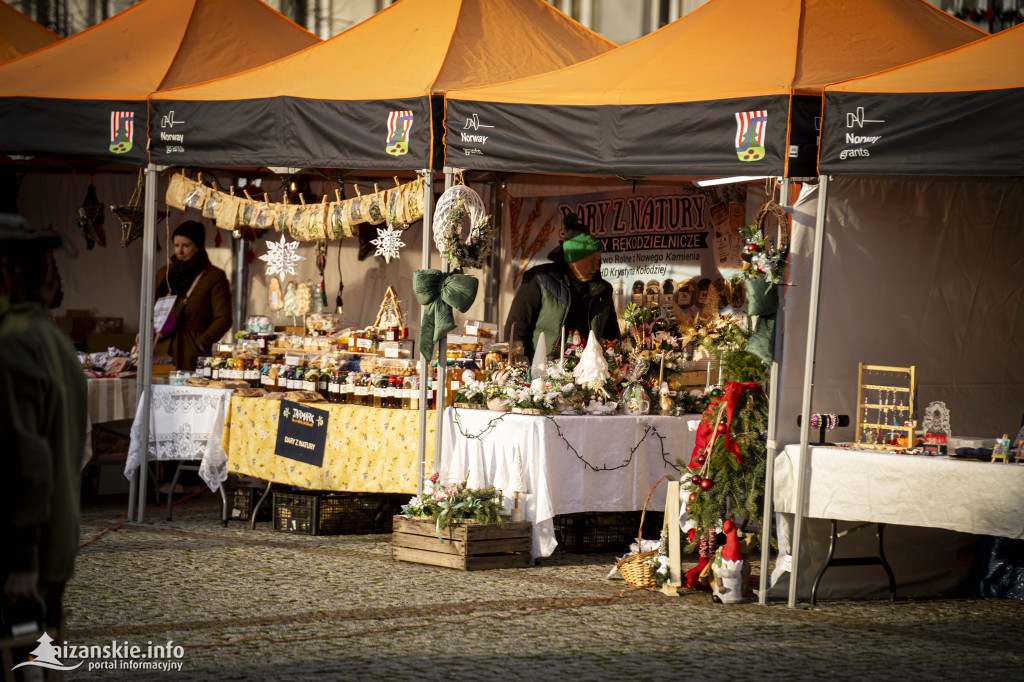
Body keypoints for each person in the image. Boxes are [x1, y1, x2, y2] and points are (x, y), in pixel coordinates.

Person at [0, 213, 87, 643]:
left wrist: (21, 557)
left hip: (25, 554)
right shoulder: (49, 338)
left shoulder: (15, 340)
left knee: (22, 660)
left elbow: (26, 457)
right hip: (49, 542)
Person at [505, 216, 619, 359]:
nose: (596, 267)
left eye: (598, 261)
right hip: (543, 371)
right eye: (591, 261)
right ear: (572, 260)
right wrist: (523, 365)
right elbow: (516, 327)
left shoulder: (604, 290)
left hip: (590, 373)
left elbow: (612, 335)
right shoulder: (539, 279)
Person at [154, 220, 232, 372]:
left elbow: (224, 318)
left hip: (189, 351)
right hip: (160, 347)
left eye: (186, 246)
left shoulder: (213, 276)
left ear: (198, 246)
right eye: (176, 245)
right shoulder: (165, 273)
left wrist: (201, 342)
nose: (179, 251)